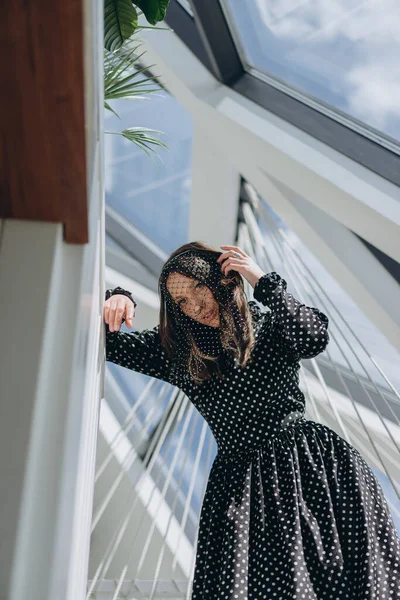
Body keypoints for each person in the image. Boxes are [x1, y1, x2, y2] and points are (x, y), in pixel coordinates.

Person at [104, 241, 400, 599]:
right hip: (241, 490)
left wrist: (260, 279)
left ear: (222, 278)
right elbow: (105, 342)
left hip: (310, 469)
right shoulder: (178, 356)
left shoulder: (270, 327)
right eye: (182, 301)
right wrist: (119, 296)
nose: (195, 305)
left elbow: (313, 336)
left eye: (199, 286)